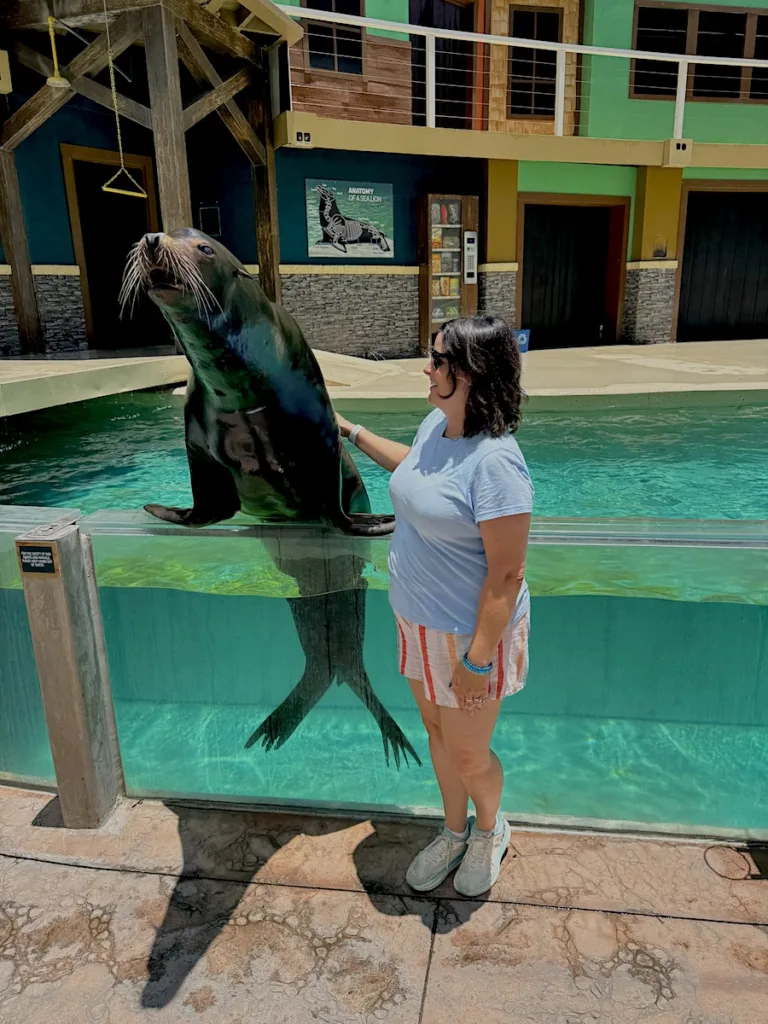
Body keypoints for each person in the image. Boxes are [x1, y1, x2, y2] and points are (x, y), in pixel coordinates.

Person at [336, 315, 533, 897]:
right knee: (435, 732)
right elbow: (416, 471)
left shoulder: (496, 462)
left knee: (469, 754)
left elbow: (506, 575)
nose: (427, 366)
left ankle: (490, 830)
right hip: (416, 623)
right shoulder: (438, 424)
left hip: (471, 637)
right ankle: (453, 829)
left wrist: (476, 661)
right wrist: (351, 431)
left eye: (438, 359)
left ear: (470, 373)